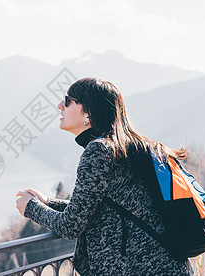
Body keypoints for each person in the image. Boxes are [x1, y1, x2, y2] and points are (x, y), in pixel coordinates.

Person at [15, 78, 194, 275]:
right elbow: (100, 208)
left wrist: (31, 207)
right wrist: (49, 202)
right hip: (167, 265)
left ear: (88, 114)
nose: (60, 106)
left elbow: (71, 226)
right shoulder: (131, 147)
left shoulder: (99, 151)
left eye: (68, 101)